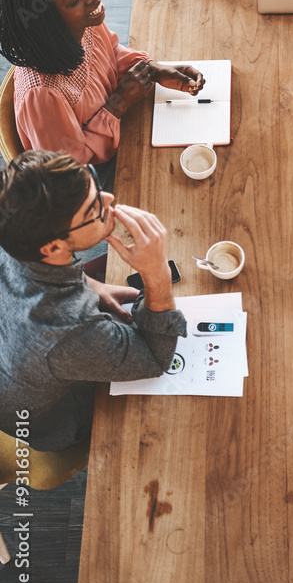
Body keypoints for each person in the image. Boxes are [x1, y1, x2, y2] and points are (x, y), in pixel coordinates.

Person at [0, 150, 187, 451]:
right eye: (94, 210)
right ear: (53, 247)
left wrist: (93, 285)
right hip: (63, 419)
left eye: (96, 186)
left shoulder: (14, 230)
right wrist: (156, 273)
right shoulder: (68, 333)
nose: (110, 199)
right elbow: (155, 358)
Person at [0, 0, 205, 171]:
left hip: (120, 126)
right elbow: (70, 168)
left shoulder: (82, 24)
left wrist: (152, 69)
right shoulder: (42, 95)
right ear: (48, 24)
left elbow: (111, 53)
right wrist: (119, 103)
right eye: (73, 0)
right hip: (93, 176)